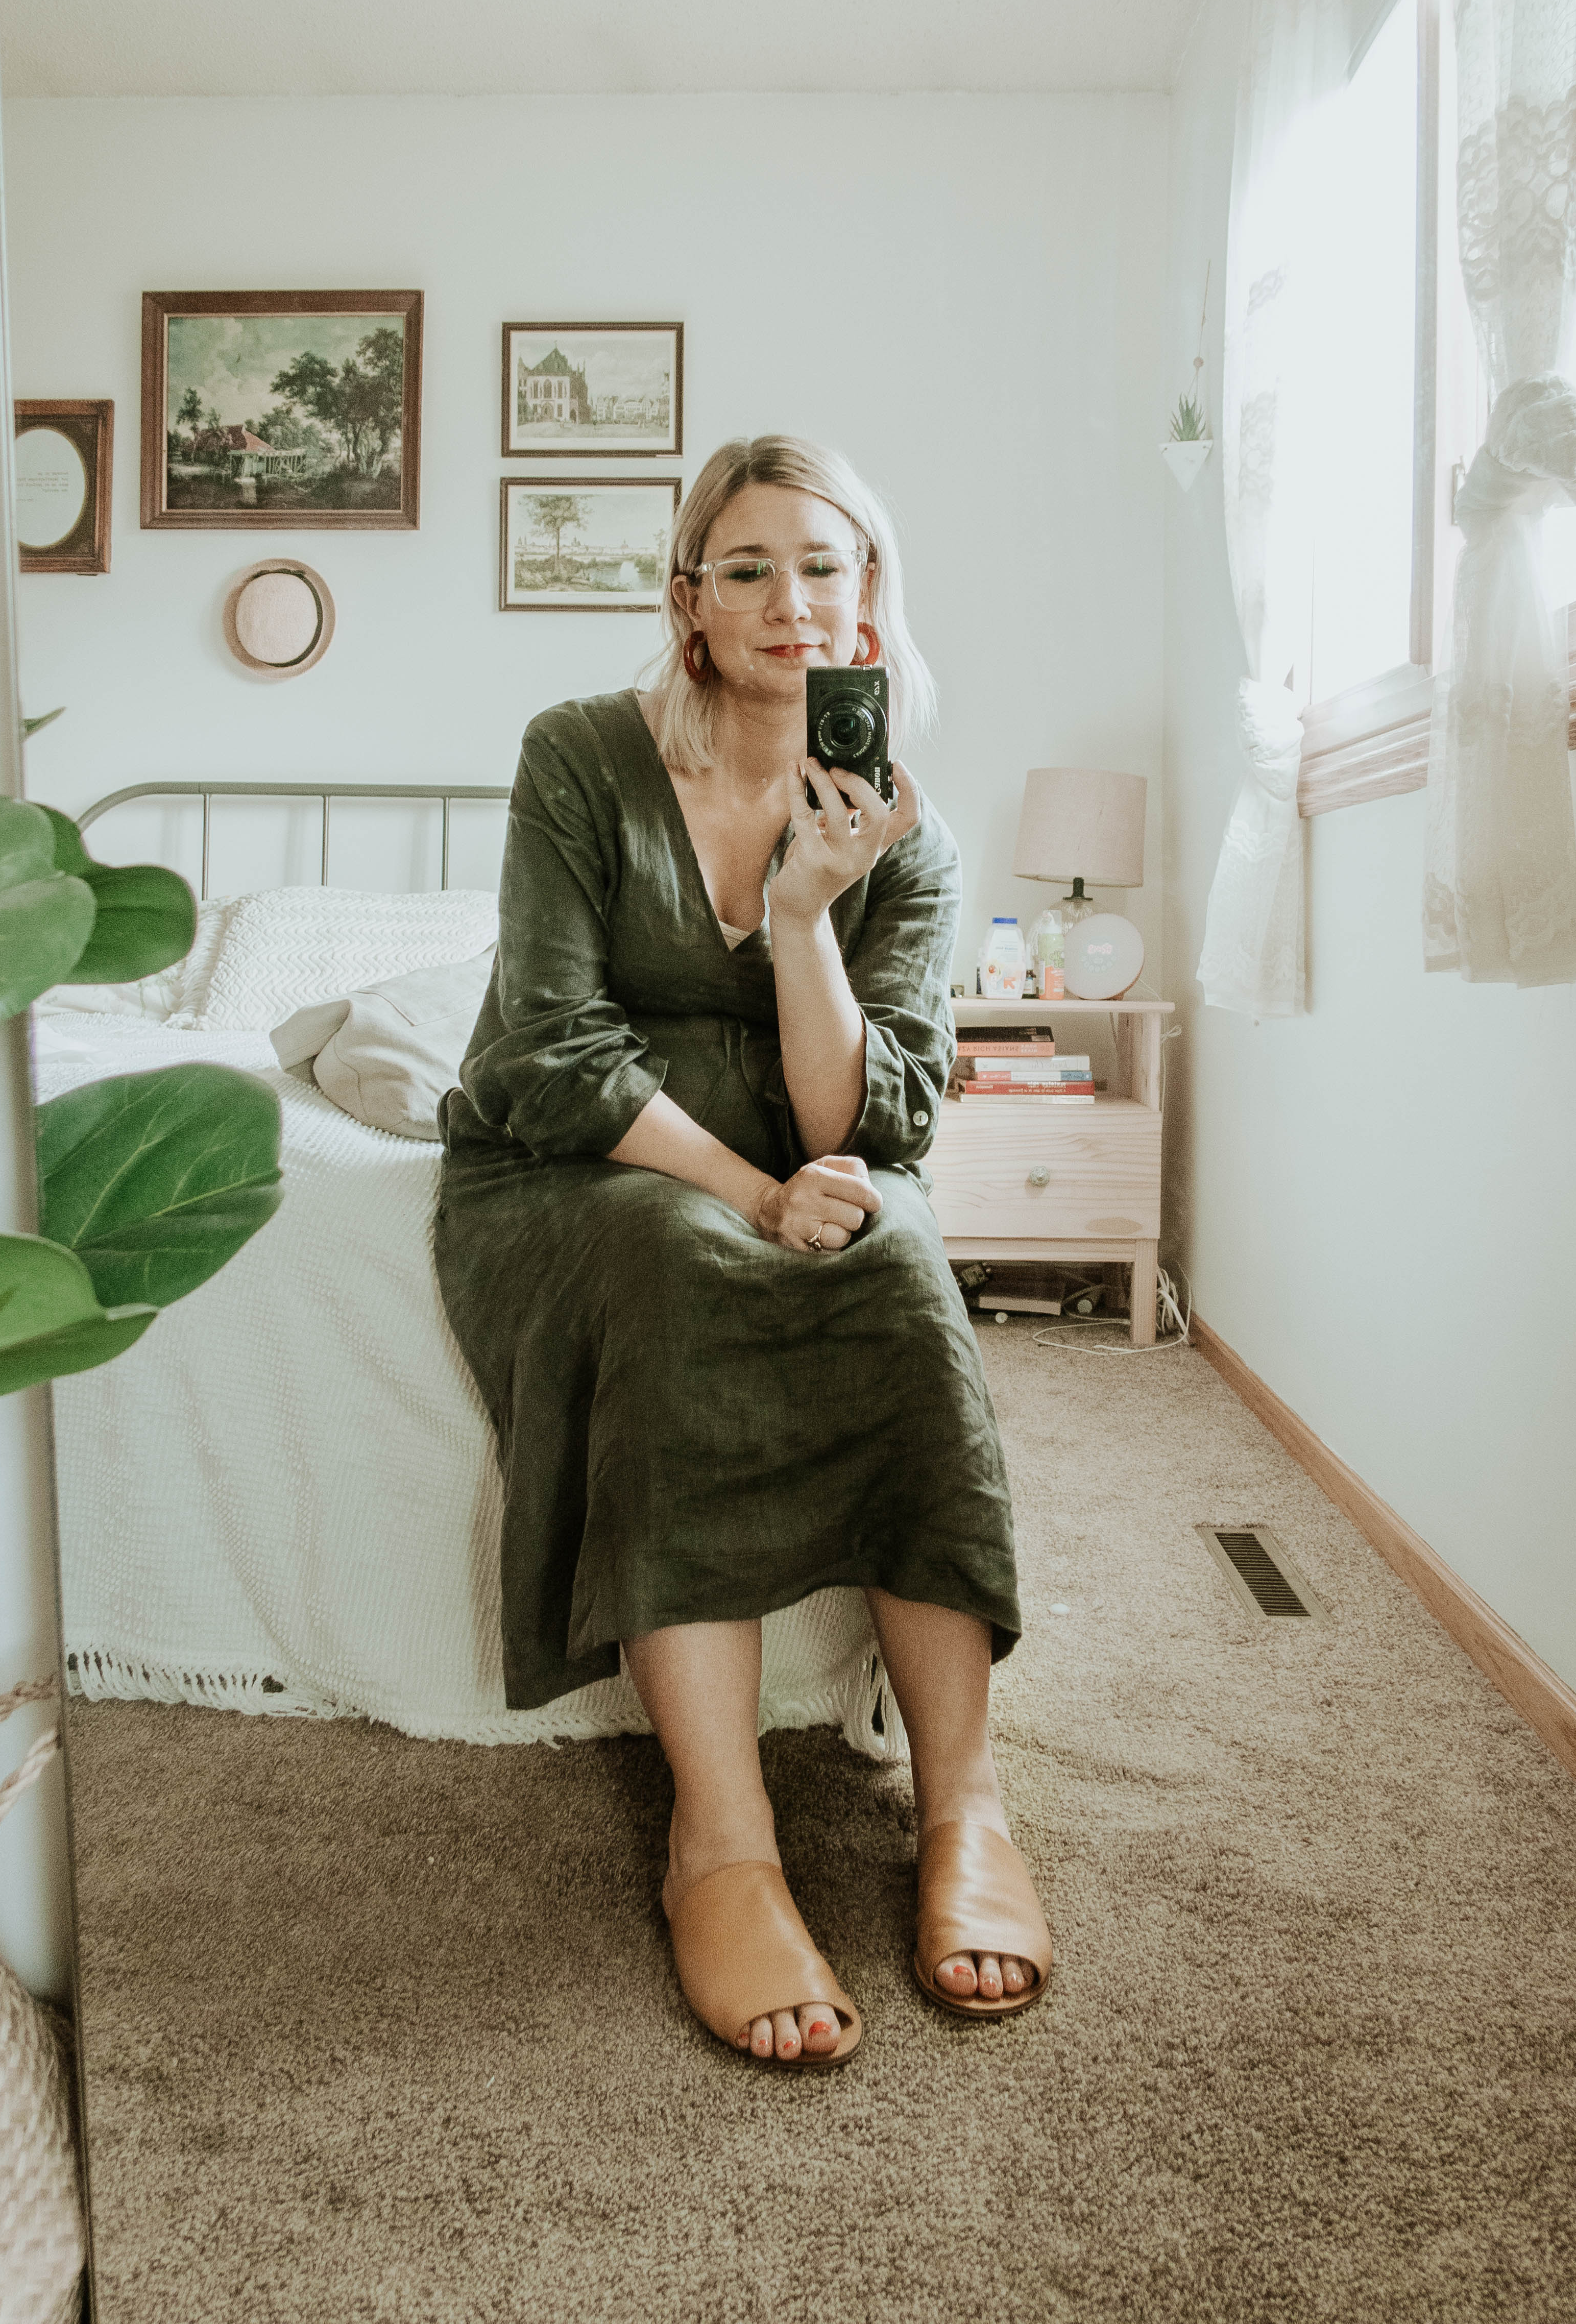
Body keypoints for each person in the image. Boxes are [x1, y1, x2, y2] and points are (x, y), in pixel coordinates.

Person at [435, 433, 1051, 2065]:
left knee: (906, 1268)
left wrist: (801, 920)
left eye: (827, 567)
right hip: (584, 1163)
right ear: (688, 600)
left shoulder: (903, 827)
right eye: (752, 567)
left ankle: (964, 1808)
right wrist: (747, 1194)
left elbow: (882, 1116)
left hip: (816, 1147)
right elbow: (551, 1048)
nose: (794, 602)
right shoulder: (578, 755)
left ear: (869, 605)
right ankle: (721, 1834)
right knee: (673, 1262)